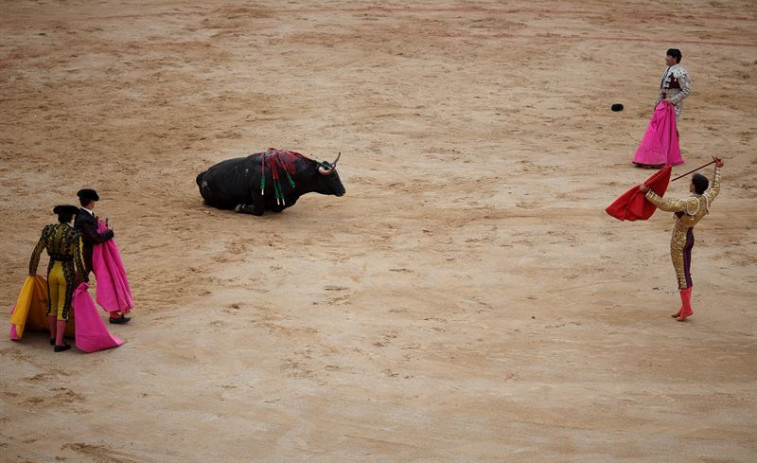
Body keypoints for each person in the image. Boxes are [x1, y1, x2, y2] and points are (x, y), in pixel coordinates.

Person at [639, 157, 723, 321]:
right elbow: (716, 188)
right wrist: (718, 169)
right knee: (685, 272)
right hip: (689, 236)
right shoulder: (706, 198)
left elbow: (666, 205)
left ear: (694, 186)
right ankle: (685, 306)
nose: (689, 184)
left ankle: (687, 308)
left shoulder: (690, 203)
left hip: (680, 239)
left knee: (682, 274)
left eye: (691, 182)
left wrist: (647, 193)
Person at [29, 205, 87, 352]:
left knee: (52, 305)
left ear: (58, 217)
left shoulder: (48, 231)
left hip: (52, 270)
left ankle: (53, 337)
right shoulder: (74, 234)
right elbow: (79, 259)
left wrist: (32, 271)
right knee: (63, 306)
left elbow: (37, 251)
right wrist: (84, 278)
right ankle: (59, 343)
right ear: (71, 218)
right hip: (66, 272)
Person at [73, 188, 128, 324]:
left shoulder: (85, 215)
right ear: (91, 202)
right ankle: (112, 314)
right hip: (90, 255)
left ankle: (114, 314)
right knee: (101, 282)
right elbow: (95, 238)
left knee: (86, 281)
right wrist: (109, 232)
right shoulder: (84, 218)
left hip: (90, 254)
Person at [656, 48, 692, 121]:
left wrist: (672, 100)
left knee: (669, 129)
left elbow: (687, 90)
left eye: (668, 56)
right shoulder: (668, 69)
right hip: (664, 104)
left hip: (674, 106)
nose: (666, 58)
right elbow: (663, 89)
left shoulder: (680, 72)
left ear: (674, 58)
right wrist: (658, 103)